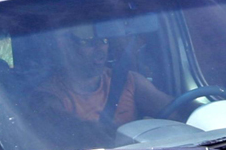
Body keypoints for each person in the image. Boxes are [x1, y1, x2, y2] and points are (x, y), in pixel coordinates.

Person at [33, 23, 170, 128]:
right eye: (89, 42)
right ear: (67, 47)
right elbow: (73, 135)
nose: (100, 48)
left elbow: (175, 110)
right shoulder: (49, 96)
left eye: (104, 40)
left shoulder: (129, 81)